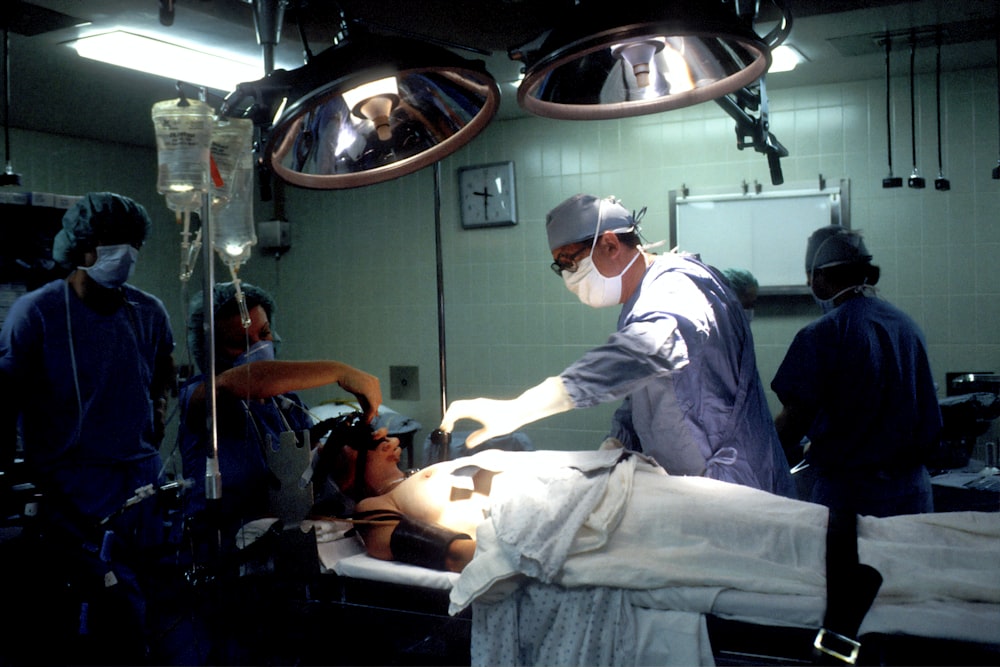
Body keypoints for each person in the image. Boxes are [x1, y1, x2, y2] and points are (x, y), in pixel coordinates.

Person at [440, 194, 794, 497]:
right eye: (559, 266)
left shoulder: (675, 288)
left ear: (610, 244)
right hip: (696, 486)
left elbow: (639, 354)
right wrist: (619, 443)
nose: (567, 276)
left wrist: (520, 408)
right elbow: (646, 393)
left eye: (570, 262)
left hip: (736, 486)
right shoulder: (641, 301)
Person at [0, 192, 182, 664]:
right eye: (109, 241)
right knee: (108, 606)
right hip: (72, 487)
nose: (124, 252)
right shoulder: (37, 313)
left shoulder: (148, 312)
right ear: (80, 247)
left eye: (132, 242)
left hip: (140, 479)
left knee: (163, 601)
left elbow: (163, 372)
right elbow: (8, 396)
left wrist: (156, 417)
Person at [177, 281, 383, 551]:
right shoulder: (200, 395)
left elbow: (310, 479)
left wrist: (350, 458)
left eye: (264, 334)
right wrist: (338, 371)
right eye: (240, 343)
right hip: (220, 552)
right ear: (209, 350)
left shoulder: (286, 405)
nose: (259, 347)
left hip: (280, 548)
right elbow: (240, 382)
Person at [771, 225, 942, 517]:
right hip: (913, 490)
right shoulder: (906, 325)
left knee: (850, 564)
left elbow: (793, 423)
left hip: (852, 496)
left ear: (820, 277)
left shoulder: (824, 333)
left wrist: (757, 449)